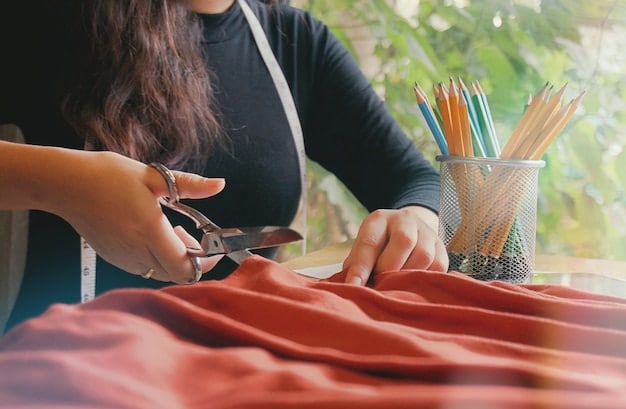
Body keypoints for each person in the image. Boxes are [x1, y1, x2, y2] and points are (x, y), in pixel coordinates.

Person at [0, 0, 448, 331]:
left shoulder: (292, 41)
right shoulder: (39, 19)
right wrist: (62, 183)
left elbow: (414, 179)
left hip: (235, 370)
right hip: (57, 381)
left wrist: (418, 218)